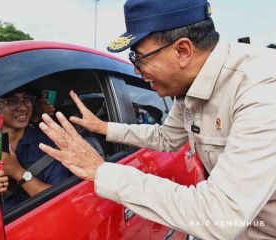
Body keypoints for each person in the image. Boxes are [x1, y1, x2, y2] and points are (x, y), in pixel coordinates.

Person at [37, 0, 276, 239]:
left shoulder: (262, 89)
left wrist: (101, 171)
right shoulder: (189, 86)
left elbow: (219, 215)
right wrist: (104, 127)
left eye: (138, 58)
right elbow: (167, 137)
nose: (137, 71)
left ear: (183, 51)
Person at [0, 86, 69, 210]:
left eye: (27, 99)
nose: (23, 107)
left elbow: (63, 199)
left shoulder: (49, 146)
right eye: (12, 101)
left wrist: (18, 172)